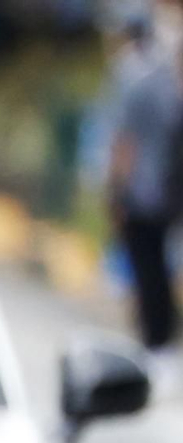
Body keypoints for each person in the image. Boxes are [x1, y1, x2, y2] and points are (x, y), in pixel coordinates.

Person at [107, 6, 183, 376]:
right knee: (148, 271)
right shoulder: (142, 81)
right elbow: (125, 142)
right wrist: (119, 192)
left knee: (157, 273)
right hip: (145, 195)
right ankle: (156, 342)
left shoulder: (158, 85)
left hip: (166, 197)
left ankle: (160, 340)